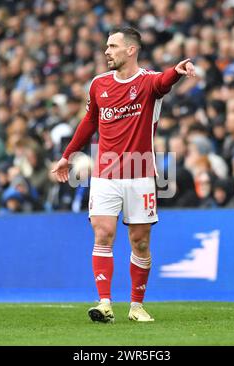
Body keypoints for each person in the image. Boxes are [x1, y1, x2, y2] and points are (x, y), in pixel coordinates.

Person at [52, 27, 195, 323]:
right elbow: (89, 122)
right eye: (106, 46)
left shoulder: (148, 82)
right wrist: (67, 156)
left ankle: (136, 305)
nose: (107, 51)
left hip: (140, 174)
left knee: (139, 241)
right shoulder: (98, 84)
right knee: (103, 233)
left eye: (113, 46)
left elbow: (164, 81)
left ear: (131, 50)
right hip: (105, 173)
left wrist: (178, 71)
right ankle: (104, 303)